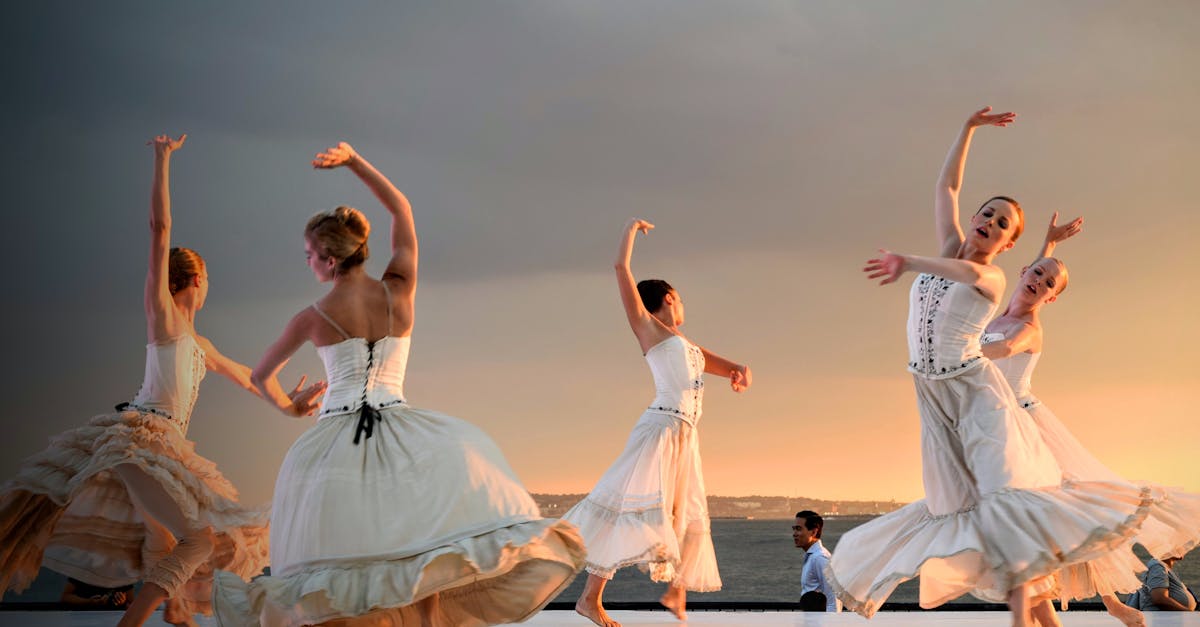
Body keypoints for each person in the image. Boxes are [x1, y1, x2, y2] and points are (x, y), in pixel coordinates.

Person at [212, 142, 585, 627]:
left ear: (328, 258)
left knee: (353, 550)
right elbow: (401, 208)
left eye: (308, 255)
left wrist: (292, 408)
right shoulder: (399, 287)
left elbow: (261, 377)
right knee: (420, 542)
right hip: (406, 428)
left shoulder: (312, 318)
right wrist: (353, 160)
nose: (307, 262)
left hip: (337, 439)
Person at [831, 107, 1157, 626]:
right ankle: (1043, 614)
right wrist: (966, 129)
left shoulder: (992, 279)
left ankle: (1049, 614)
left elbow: (970, 288)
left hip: (978, 397)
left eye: (1004, 225)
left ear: (1009, 248)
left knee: (1004, 512)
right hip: (934, 402)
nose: (991, 222)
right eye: (989, 213)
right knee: (956, 512)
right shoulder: (952, 247)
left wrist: (909, 262)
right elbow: (947, 190)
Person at [0, 135, 306, 627]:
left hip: (162, 445)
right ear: (197, 281)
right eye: (208, 279)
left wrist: (291, 403)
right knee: (197, 540)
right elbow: (159, 228)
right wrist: (163, 159)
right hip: (141, 439)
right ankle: (136, 622)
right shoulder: (163, 318)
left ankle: (172, 611)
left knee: (163, 543)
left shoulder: (200, 346)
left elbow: (251, 380)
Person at [981, 215, 1200, 626]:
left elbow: (1005, 349)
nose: (1040, 283)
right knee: (1036, 537)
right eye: (1037, 274)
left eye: (1050, 286)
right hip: (994, 431)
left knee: (1056, 526)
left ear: (1052, 299)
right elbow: (1037, 274)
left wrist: (954, 355)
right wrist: (1049, 245)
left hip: (1026, 432)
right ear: (1023, 269)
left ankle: (1107, 608)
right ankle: (1111, 609)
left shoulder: (1028, 328)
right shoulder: (1001, 310)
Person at [562, 218, 752, 627]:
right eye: (679, 299)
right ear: (668, 298)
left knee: (682, 509)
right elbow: (620, 270)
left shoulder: (683, 343)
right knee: (624, 508)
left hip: (685, 435)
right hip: (660, 429)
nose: (683, 305)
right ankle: (589, 599)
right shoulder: (648, 330)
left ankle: (674, 591)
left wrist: (737, 367)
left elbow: (707, 359)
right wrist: (630, 230)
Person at [793, 511, 838, 612]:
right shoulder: (813, 557)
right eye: (794, 529)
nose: (794, 534)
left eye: (799, 529)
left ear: (814, 532)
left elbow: (834, 600)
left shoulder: (820, 558)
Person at [1128, 555, 1198, 612]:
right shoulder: (1157, 566)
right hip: (1160, 620)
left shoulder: (1162, 567)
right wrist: (1188, 612)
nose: (1183, 549)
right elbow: (1159, 598)